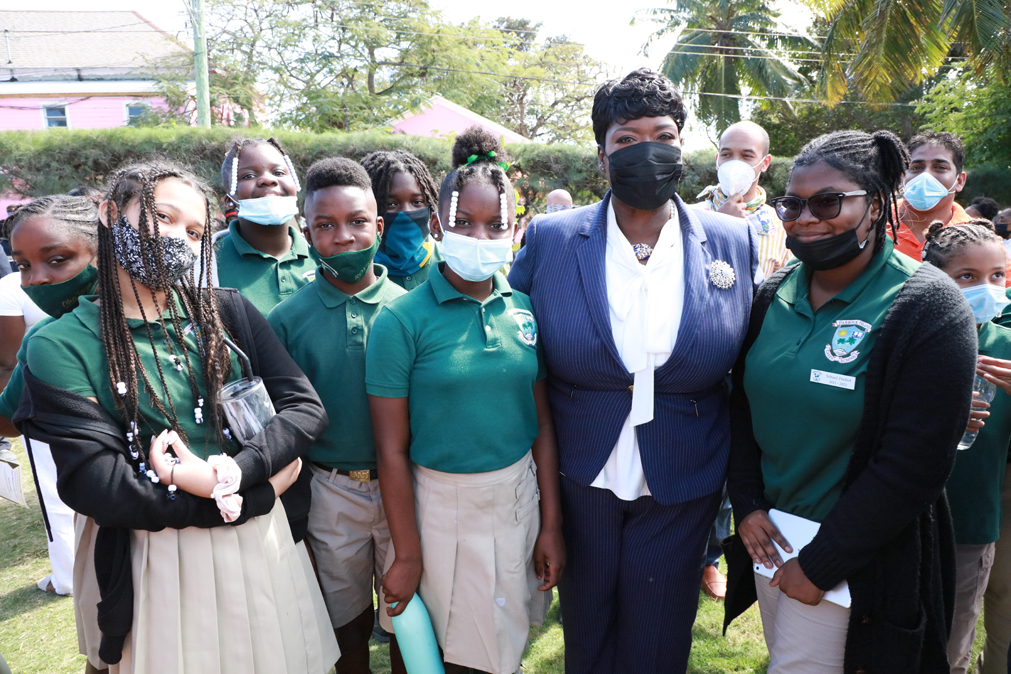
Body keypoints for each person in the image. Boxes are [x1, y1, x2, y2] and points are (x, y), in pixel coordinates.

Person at [14, 161, 339, 673]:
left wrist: (235, 472)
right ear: (107, 215)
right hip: (152, 552)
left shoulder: (226, 312)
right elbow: (101, 485)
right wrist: (252, 494)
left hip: (259, 540)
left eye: (194, 231)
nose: (179, 240)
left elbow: (303, 409)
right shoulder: (60, 344)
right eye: (162, 217)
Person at [509, 68, 758, 674]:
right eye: (626, 138)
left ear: (681, 147)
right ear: (602, 154)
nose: (646, 149)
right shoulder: (551, 238)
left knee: (658, 635)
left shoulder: (734, 240)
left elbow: (754, 360)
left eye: (662, 134)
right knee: (588, 631)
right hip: (580, 467)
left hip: (684, 469)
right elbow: (508, 336)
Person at [724, 130, 978, 674]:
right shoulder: (774, 293)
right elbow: (742, 408)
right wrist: (746, 503)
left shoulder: (929, 308)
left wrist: (823, 563)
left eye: (828, 201)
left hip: (855, 564)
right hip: (772, 544)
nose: (806, 217)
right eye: (794, 203)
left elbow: (916, 464)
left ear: (877, 204)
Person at [367, 126, 565, 674]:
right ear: (437, 224)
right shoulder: (401, 320)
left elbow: (541, 422)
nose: (481, 235)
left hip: (519, 497)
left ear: (515, 228)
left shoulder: (523, 308)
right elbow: (391, 452)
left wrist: (550, 524)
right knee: (450, 654)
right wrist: (407, 554)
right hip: (441, 508)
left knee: (506, 642)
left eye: (496, 224)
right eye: (464, 223)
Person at [268, 157, 405, 674]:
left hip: (403, 485)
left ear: (379, 226)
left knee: (406, 614)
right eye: (325, 226)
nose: (343, 237)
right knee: (341, 619)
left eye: (357, 222)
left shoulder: (409, 309)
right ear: (306, 232)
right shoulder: (285, 321)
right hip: (329, 490)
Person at [920, 219, 1011, 674]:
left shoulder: (1005, 346)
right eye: (967, 277)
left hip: (971, 524)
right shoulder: (910, 337)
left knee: (952, 642)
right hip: (899, 515)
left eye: (997, 276)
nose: (986, 288)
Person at [0, 194, 100, 598]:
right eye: (23, 265)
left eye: (56, 259)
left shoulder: (170, 318)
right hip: (105, 520)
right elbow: (7, 419)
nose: (35, 278)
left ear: (104, 252)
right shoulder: (43, 341)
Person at [214, 137, 319, 315]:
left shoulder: (321, 254)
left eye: (278, 172)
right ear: (230, 201)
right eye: (249, 176)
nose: (268, 180)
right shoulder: (209, 261)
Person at [697, 120, 791, 282]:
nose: (735, 163)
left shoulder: (781, 226)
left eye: (747, 156)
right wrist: (720, 224)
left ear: (765, 163)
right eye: (726, 155)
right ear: (717, 159)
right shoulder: (691, 216)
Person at [359, 149, 442, 291]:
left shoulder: (448, 263)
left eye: (417, 202)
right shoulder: (358, 271)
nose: (406, 212)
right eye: (391, 204)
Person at [894, 131, 970, 259]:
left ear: (959, 181)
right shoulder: (870, 225)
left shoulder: (978, 238)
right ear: (902, 178)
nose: (926, 175)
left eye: (940, 167)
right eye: (916, 167)